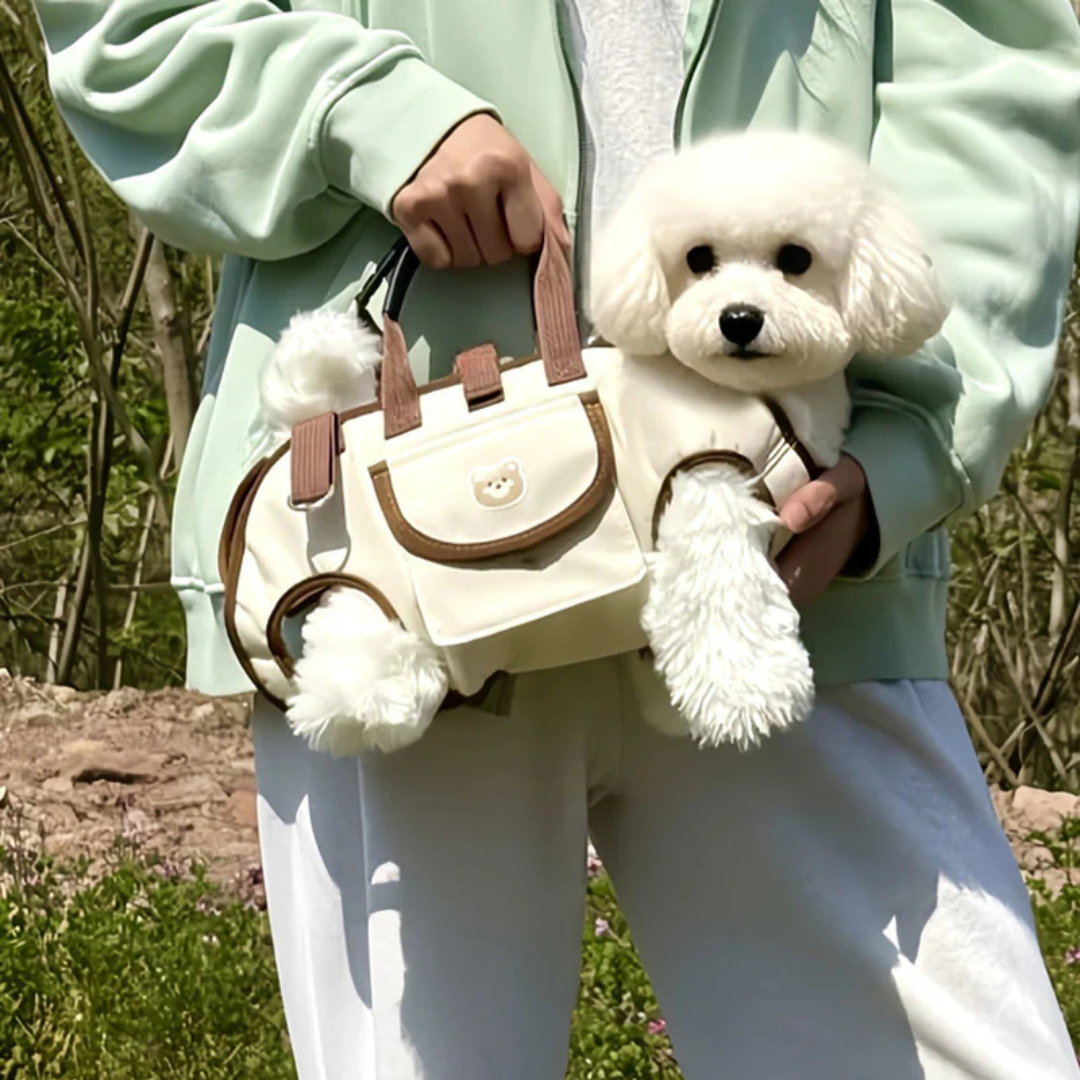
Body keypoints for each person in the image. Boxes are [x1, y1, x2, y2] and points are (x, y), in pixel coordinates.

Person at [35, 0, 1080, 1075]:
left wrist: (905, 446)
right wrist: (367, 111)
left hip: (787, 545)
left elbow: (993, 71)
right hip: (400, 563)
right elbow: (128, 26)